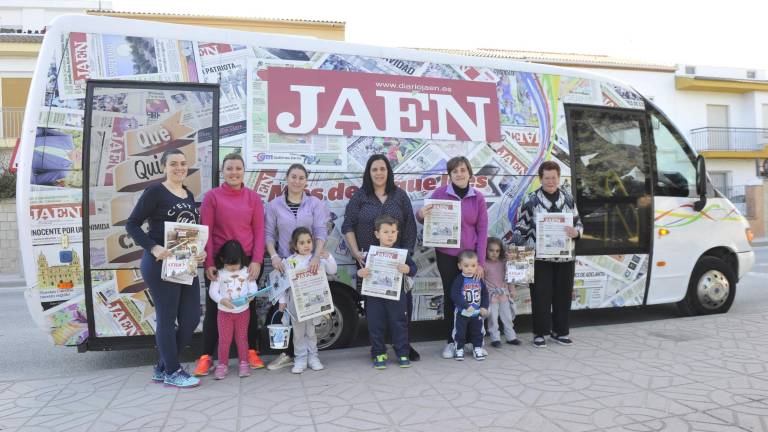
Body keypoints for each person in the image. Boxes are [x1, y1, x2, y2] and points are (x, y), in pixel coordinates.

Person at [125, 148, 205, 388]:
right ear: (164, 167)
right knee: (167, 319)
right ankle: (172, 370)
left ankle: (163, 366)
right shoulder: (155, 192)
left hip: (184, 261)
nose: (180, 167)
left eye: (183, 163)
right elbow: (132, 224)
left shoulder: (188, 195)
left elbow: (190, 231)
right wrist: (154, 247)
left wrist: (200, 251)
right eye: (174, 164)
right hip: (160, 263)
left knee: (191, 318)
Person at [193, 153, 265, 377]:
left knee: (249, 308)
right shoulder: (212, 197)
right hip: (219, 263)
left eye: (238, 168)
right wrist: (210, 264)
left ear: (244, 171)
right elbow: (205, 230)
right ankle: (206, 357)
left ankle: (251, 352)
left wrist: (257, 261)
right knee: (215, 309)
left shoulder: (253, 198)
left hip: (247, 265)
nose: (234, 172)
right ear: (223, 172)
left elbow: (259, 230)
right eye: (230, 168)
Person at [342, 154, 420, 361]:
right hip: (370, 264)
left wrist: (405, 257)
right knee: (375, 311)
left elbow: (410, 227)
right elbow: (347, 225)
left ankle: (403, 347)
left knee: (401, 310)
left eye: (382, 169)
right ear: (369, 172)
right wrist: (356, 252)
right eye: (374, 169)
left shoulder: (400, 196)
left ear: (388, 171)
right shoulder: (360, 196)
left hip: (397, 265)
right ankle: (378, 350)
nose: (379, 173)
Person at [416, 156, 488, 359]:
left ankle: (475, 342)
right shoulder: (440, 193)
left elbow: (482, 231)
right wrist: (421, 214)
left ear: (469, 173)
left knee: (473, 296)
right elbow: (423, 219)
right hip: (447, 256)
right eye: (455, 171)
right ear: (449, 175)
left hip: (470, 258)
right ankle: (451, 341)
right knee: (452, 297)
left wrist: (480, 263)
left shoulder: (478, 198)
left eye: (463, 170)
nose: (459, 174)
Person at [264, 163, 330, 371]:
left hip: (309, 268)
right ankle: (298, 357)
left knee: (310, 319)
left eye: (301, 177)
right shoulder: (274, 205)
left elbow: (320, 232)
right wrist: (274, 256)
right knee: (294, 320)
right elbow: (268, 234)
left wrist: (316, 257)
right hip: (286, 267)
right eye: (293, 176)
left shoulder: (314, 203)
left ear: (306, 181)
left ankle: (313, 357)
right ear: (286, 178)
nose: (297, 181)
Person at [512, 160, 583, 348]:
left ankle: (560, 332)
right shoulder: (531, 199)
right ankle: (539, 333)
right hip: (539, 258)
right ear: (540, 179)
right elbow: (521, 227)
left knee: (563, 295)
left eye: (554, 177)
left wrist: (576, 233)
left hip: (565, 257)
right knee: (540, 296)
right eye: (546, 178)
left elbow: (579, 224)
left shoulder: (568, 199)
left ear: (559, 178)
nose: (550, 181)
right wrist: (517, 254)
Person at [357, 215, 417, 370]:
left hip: (396, 296)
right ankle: (378, 353)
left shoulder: (402, 254)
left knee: (399, 323)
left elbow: (414, 269)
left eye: (393, 231)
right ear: (377, 234)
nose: (390, 235)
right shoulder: (370, 253)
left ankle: (402, 352)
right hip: (374, 297)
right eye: (386, 232)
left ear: (397, 233)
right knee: (375, 325)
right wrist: (360, 273)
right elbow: (360, 271)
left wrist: (408, 269)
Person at [277, 227, 337, 374]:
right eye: (302, 242)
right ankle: (300, 359)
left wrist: (328, 257)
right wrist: (282, 301)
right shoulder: (289, 261)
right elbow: (282, 284)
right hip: (295, 305)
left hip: (313, 304)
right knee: (298, 334)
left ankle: (313, 358)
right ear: (294, 245)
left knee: (311, 332)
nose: (306, 245)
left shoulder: (316, 259)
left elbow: (332, 270)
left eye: (309, 241)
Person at [208, 240, 259, 380]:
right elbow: (213, 292)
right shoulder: (219, 274)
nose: (233, 268)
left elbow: (253, 287)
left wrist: (251, 296)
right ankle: (222, 365)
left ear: (241, 259)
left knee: (242, 339)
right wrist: (221, 300)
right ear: (222, 259)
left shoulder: (245, 271)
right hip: (224, 313)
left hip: (243, 312)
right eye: (229, 264)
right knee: (224, 340)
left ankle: (244, 363)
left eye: (236, 264)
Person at [450, 250, 489, 361]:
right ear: (460, 266)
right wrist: (466, 306)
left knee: (478, 331)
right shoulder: (459, 279)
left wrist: (484, 307)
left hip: (476, 313)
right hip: (462, 312)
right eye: (466, 266)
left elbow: (485, 294)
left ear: (477, 266)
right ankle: (459, 349)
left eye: (473, 266)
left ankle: (477, 348)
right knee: (460, 331)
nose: (470, 268)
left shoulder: (479, 279)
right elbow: (455, 294)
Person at [484, 237, 520, 347]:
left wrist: (512, 290)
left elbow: (510, 277)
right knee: (493, 319)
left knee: (508, 317)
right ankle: (495, 339)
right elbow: (480, 281)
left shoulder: (504, 263)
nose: (494, 253)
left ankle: (511, 337)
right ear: (485, 250)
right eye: (491, 250)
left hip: (504, 294)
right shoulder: (483, 264)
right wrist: (485, 295)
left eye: (497, 251)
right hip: (492, 296)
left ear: (501, 251)